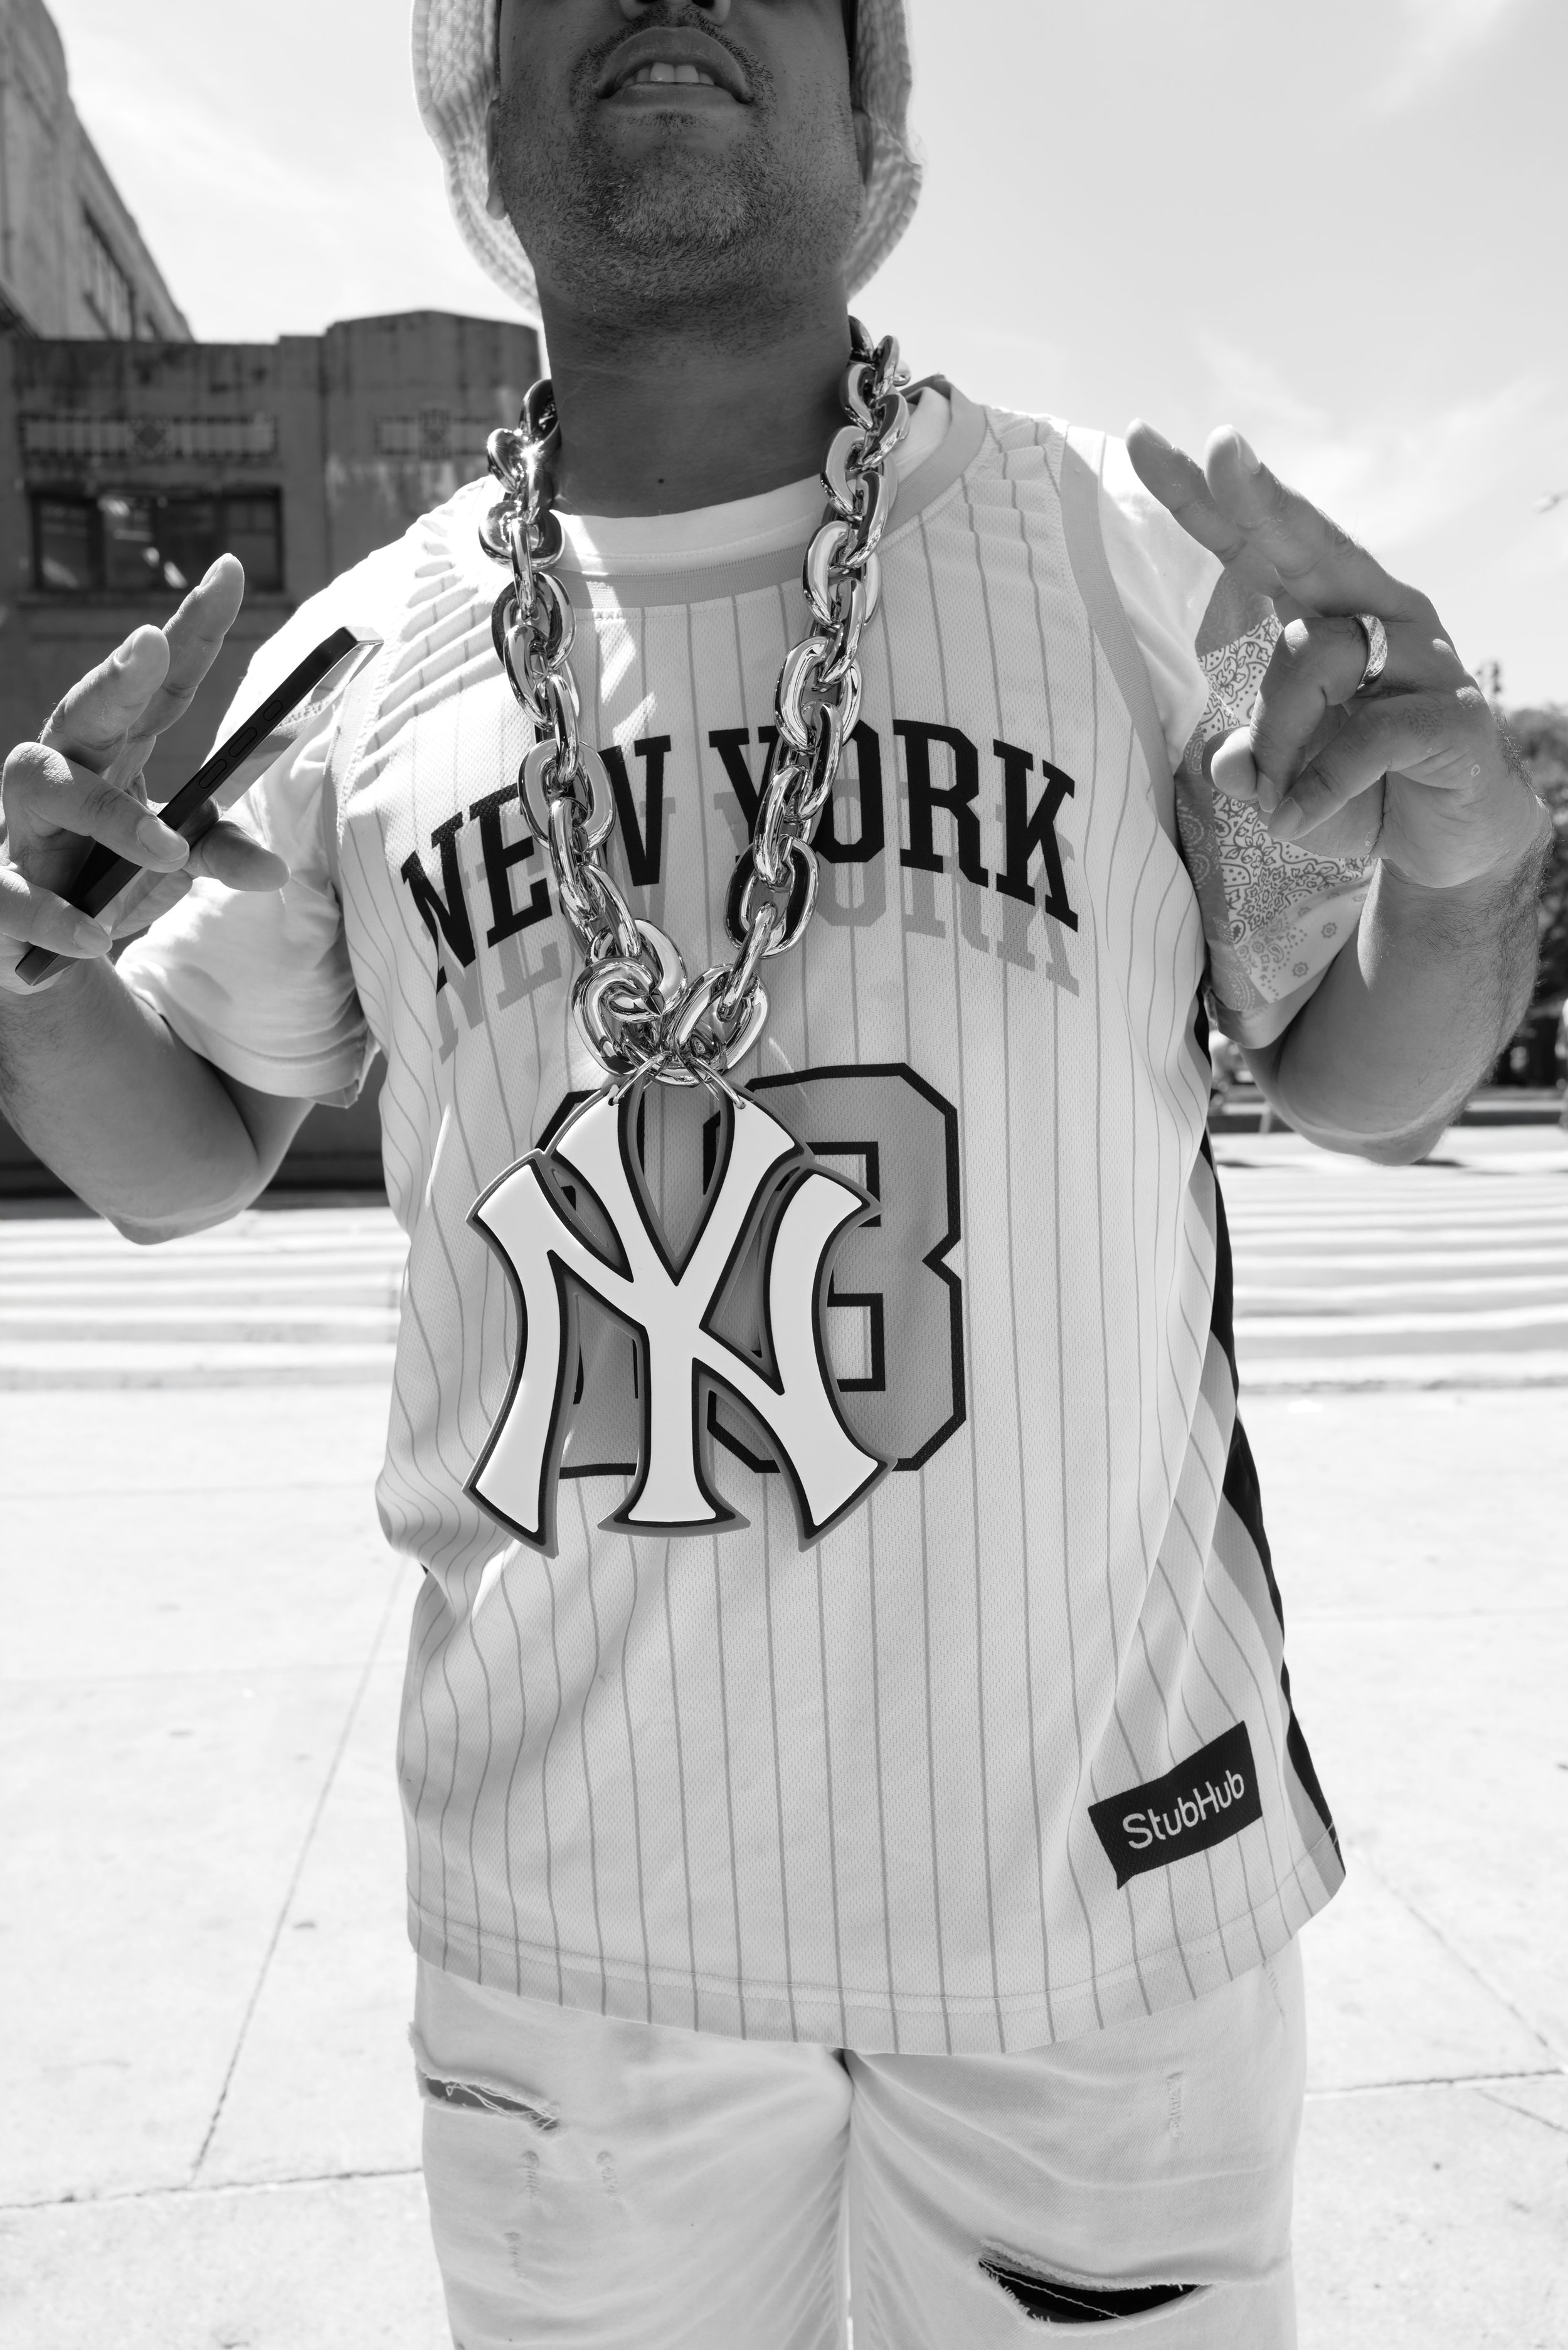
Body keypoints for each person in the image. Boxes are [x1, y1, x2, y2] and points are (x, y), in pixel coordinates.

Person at [0, 2, 1549, 2342]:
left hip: (1095, 1898)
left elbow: (1350, 1079)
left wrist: (1461, 872)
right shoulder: (359, 655)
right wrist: (28, 963)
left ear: (874, 112)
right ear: (474, 104)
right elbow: (183, 1154)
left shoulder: (1127, 563)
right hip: (573, 1938)